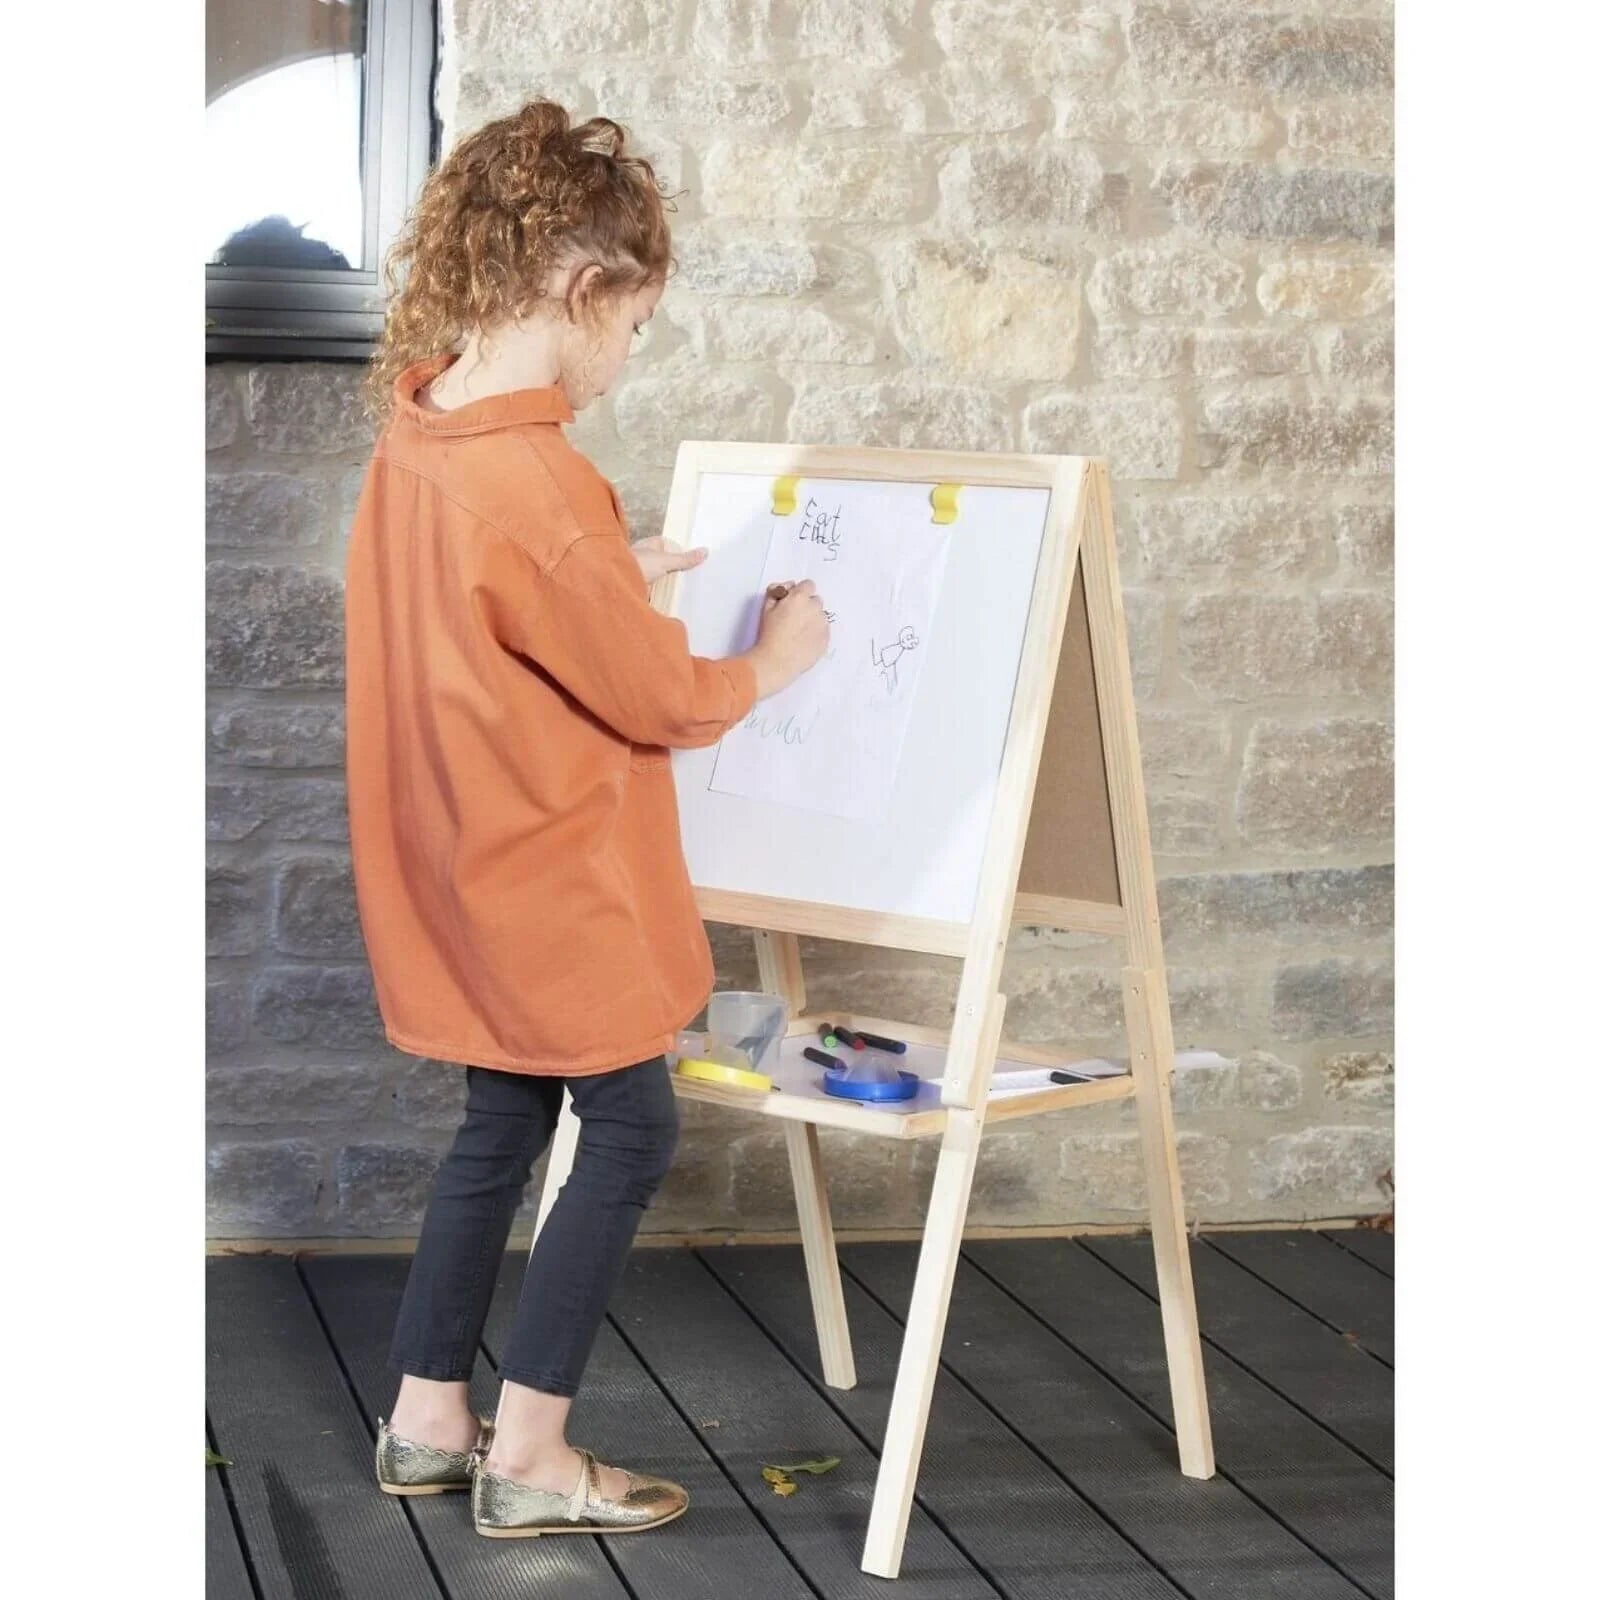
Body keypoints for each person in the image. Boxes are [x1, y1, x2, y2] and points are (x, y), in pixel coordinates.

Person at [344, 99, 828, 1538]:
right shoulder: (542, 485)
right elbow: (662, 698)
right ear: (579, 287)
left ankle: (428, 1419)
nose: (627, 357)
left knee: (500, 1118)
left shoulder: (420, 433)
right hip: (546, 874)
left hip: (452, 864)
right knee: (626, 1126)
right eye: (635, 324)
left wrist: (607, 571)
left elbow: (489, 618)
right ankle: (535, 1455)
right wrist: (776, 659)